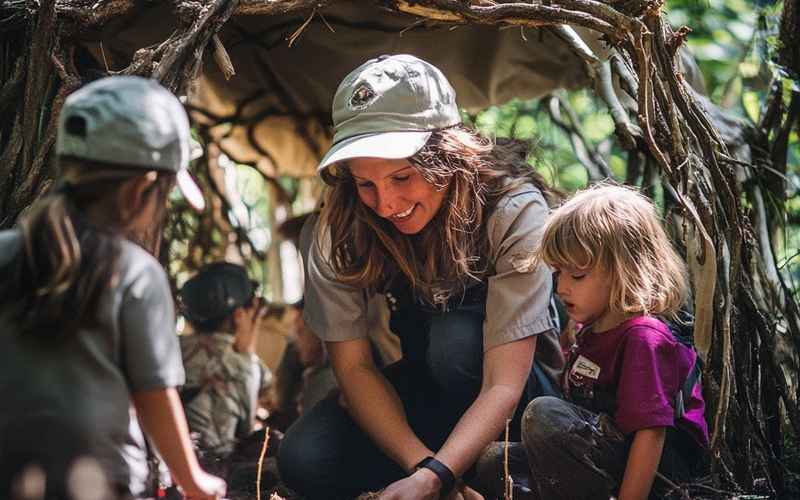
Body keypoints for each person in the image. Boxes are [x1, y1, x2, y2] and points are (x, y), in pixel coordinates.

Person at [278, 54, 564, 499]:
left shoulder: (512, 211)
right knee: (304, 459)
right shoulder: (336, 229)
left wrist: (436, 477)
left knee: (453, 344)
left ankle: (501, 466)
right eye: (365, 184)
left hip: (516, 395)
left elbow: (503, 383)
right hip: (426, 395)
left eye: (402, 177)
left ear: (447, 154)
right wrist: (423, 466)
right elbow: (354, 369)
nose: (386, 204)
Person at [0, 76, 226, 500]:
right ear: (144, 189)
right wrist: (193, 480)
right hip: (100, 483)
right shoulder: (136, 274)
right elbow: (154, 395)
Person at [523, 184, 709, 499]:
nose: (561, 288)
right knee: (494, 461)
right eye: (558, 273)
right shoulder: (591, 329)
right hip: (607, 453)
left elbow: (651, 434)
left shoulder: (643, 337)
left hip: (659, 470)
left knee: (544, 416)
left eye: (577, 275)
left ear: (625, 271)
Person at [178, 262, 273, 458]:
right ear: (239, 315)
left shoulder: (175, 347)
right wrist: (248, 350)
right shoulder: (240, 364)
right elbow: (245, 428)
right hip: (212, 466)